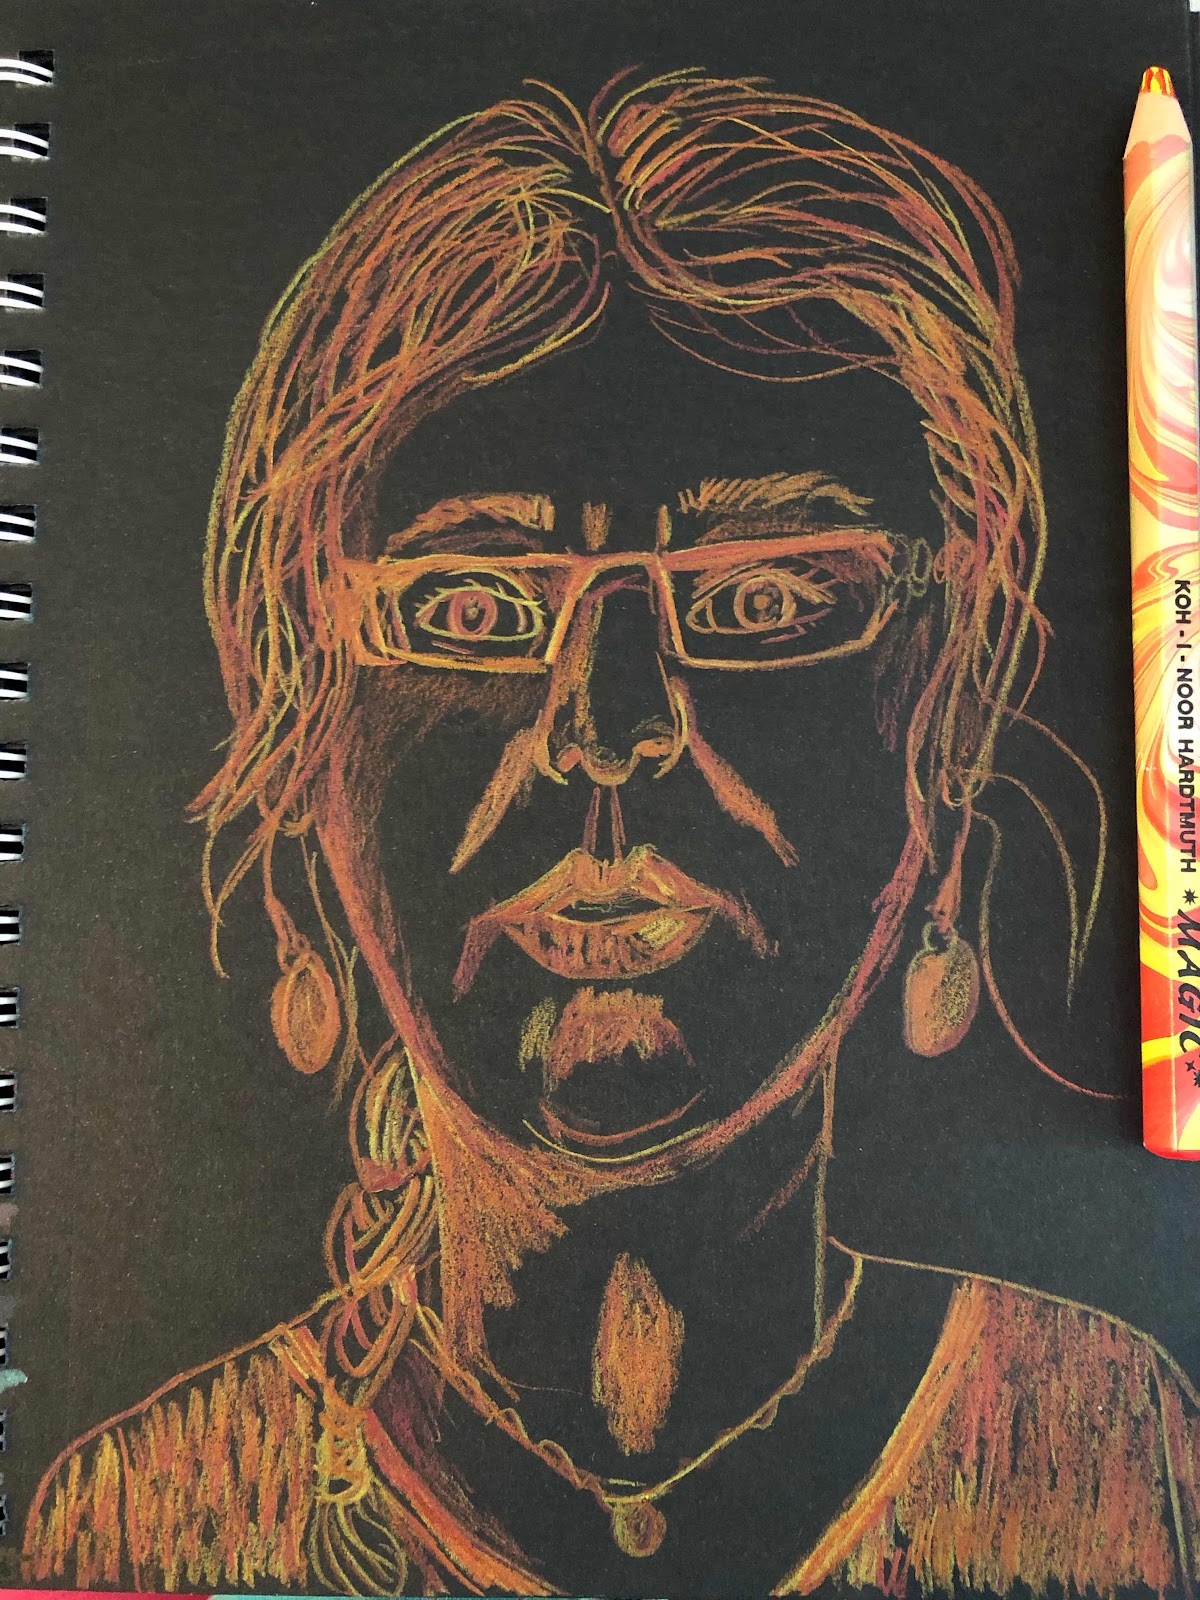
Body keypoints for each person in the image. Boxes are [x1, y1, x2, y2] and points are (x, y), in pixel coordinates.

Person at [24, 69, 1200, 1598]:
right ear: (303, 747)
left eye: (763, 599)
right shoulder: (139, 1512)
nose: (612, 726)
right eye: (471, 608)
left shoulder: (1123, 1449)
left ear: (948, 725)